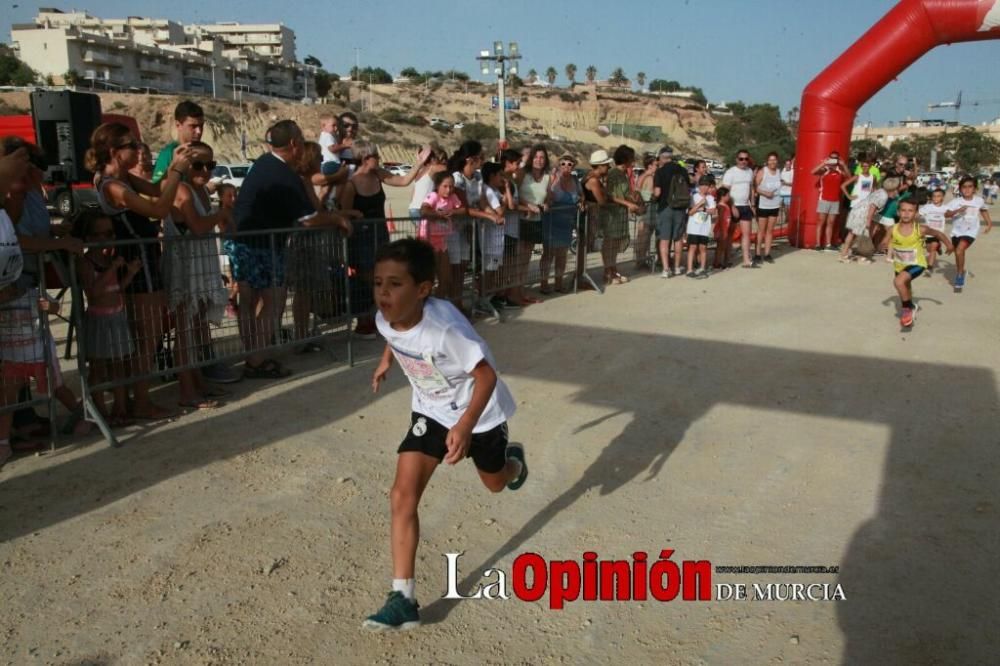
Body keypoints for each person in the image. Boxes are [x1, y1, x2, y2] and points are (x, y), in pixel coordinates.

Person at [363, 238, 525, 631]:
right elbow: (393, 334)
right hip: (431, 411)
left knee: (495, 484)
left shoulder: (445, 330)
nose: (384, 292)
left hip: (479, 415)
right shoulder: (387, 314)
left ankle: (514, 465)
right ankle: (403, 598)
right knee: (402, 495)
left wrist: (465, 426)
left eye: (395, 284)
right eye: (378, 282)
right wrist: (386, 361)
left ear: (422, 290)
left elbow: (486, 374)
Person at [232, 120, 349, 378]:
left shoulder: (264, 163)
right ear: (294, 144)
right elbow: (310, 219)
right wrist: (338, 219)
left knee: (251, 302)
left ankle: (255, 354)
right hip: (262, 246)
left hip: (245, 242)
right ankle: (256, 359)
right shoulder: (284, 174)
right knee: (273, 301)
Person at [89, 122, 190, 419]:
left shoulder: (123, 181)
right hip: (137, 262)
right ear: (114, 152)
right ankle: (141, 401)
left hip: (142, 258)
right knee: (147, 335)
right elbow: (159, 208)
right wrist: (178, 172)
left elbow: (158, 188)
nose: (137, 150)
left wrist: (173, 167)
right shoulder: (114, 186)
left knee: (148, 335)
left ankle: (137, 399)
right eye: (131, 145)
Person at [163, 141, 231, 409]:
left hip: (200, 266)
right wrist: (221, 215)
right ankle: (187, 390)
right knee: (184, 331)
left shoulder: (200, 190)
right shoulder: (181, 189)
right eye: (199, 164)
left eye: (210, 165)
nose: (205, 170)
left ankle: (198, 382)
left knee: (194, 329)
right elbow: (198, 226)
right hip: (185, 268)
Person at [338, 141, 431, 337]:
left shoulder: (378, 174)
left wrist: (419, 163)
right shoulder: (351, 184)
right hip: (360, 236)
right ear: (365, 159)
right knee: (366, 277)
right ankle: (366, 318)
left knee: (381, 274)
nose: (379, 159)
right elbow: (343, 211)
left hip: (379, 232)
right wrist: (354, 212)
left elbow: (403, 181)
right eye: (375, 156)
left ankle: (378, 317)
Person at [73, 208, 138, 427]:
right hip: (99, 320)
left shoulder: (107, 259)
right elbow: (93, 292)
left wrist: (129, 273)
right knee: (99, 369)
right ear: (88, 237)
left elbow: (115, 288)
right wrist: (112, 269)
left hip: (116, 317)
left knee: (119, 366)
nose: (105, 239)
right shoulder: (86, 262)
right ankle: (100, 410)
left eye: (109, 234)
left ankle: (120, 407)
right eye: (99, 234)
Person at [890, 198, 953, 328]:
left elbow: (938, 233)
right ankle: (912, 305)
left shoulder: (921, 229)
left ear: (916, 213)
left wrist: (949, 245)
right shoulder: (892, 229)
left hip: (917, 263)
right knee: (905, 287)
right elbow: (884, 242)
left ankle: (907, 310)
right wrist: (881, 245)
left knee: (899, 282)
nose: (906, 213)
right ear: (898, 212)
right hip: (899, 264)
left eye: (910, 211)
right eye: (903, 210)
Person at [418, 170, 466, 299]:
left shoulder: (453, 197)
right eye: (445, 186)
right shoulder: (433, 196)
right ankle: (424, 308)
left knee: (446, 278)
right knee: (428, 279)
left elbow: (462, 209)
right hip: (427, 240)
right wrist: (438, 214)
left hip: (442, 240)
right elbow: (424, 210)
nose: (448, 190)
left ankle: (437, 306)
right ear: (437, 186)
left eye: (451, 186)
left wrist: (454, 212)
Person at [512, 145, 550, 303]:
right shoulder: (522, 174)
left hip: (536, 220)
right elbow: (514, 193)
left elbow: (548, 196)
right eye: (536, 157)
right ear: (531, 158)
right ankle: (516, 291)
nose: (539, 160)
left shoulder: (548, 177)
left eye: (542, 157)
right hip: (521, 219)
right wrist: (528, 205)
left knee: (526, 256)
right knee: (519, 256)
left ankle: (521, 290)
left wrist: (547, 203)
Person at [539, 154, 581, 293]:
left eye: (570, 164)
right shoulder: (552, 178)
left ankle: (558, 283)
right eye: (563, 163)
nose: (566, 166)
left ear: (573, 166)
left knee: (562, 254)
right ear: (558, 165)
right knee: (548, 253)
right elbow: (545, 196)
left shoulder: (575, 180)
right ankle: (544, 283)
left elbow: (581, 195)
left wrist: (581, 201)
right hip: (552, 220)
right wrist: (548, 198)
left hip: (567, 222)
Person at [944, 175, 993, 291]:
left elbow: (983, 210)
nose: (967, 189)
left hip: (971, 231)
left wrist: (989, 223)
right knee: (958, 253)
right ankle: (961, 271)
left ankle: (960, 275)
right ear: (960, 189)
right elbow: (946, 215)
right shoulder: (956, 202)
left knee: (959, 250)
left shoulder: (979, 200)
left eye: (970, 187)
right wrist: (957, 210)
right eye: (964, 187)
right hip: (956, 232)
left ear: (975, 189)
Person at [602, 145, 640, 285]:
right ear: (626, 159)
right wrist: (628, 204)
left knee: (615, 244)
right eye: (631, 158)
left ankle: (613, 270)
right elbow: (610, 195)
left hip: (620, 214)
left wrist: (632, 198)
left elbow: (623, 193)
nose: (633, 161)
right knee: (609, 243)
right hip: (611, 214)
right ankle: (607, 272)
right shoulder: (613, 174)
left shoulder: (624, 174)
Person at [840, 177, 900, 264]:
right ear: (893, 189)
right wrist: (868, 221)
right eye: (896, 188)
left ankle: (844, 254)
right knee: (863, 236)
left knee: (852, 233)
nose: (897, 191)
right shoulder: (883, 196)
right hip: (863, 214)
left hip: (857, 210)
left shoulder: (880, 191)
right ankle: (860, 257)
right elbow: (872, 207)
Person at [652, 146, 690, 278]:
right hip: (680, 207)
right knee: (678, 238)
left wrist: (653, 199)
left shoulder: (660, 172)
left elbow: (657, 192)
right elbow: (688, 188)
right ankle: (677, 267)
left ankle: (666, 269)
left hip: (665, 207)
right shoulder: (682, 170)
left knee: (665, 239)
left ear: (662, 157)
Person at [152, 100, 204, 185]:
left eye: (201, 126)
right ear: (178, 125)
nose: (199, 131)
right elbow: (157, 188)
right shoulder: (168, 153)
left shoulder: (201, 151)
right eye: (193, 126)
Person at [721, 149, 756, 267]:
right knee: (729, 234)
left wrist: (753, 205)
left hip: (745, 206)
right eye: (741, 159)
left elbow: (751, 189)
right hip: (733, 206)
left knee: (746, 233)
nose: (743, 161)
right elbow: (725, 192)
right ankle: (726, 259)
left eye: (746, 159)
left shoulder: (750, 171)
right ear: (737, 159)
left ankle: (746, 259)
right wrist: (732, 206)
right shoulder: (731, 172)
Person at [811, 151, 848, 251]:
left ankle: (828, 244)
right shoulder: (825, 169)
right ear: (829, 158)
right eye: (832, 157)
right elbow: (812, 172)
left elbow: (849, 177)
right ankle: (818, 244)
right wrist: (824, 163)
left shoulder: (839, 170)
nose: (833, 160)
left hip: (835, 200)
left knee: (831, 223)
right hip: (824, 199)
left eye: (835, 158)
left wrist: (844, 165)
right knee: (821, 222)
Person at [754, 152, 782, 263]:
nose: (772, 162)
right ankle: (757, 253)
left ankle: (767, 253)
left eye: (774, 160)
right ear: (767, 161)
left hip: (774, 205)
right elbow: (755, 187)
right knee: (761, 230)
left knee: (770, 231)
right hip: (763, 205)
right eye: (770, 160)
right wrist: (765, 193)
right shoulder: (763, 171)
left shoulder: (779, 172)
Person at [686, 175, 716, 277]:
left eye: (706, 185)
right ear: (699, 186)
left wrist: (703, 209)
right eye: (702, 185)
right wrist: (699, 204)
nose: (704, 187)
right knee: (692, 247)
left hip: (704, 228)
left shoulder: (711, 198)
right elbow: (690, 212)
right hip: (694, 227)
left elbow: (713, 210)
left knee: (703, 247)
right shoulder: (693, 196)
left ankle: (702, 267)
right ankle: (689, 269)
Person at [917, 188, 948, 275]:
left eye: (938, 196)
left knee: (933, 249)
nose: (936, 198)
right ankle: (938, 247)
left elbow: (952, 214)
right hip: (927, 233)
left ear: (942, 197)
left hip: (938, 233)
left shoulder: (946, 208)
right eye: (934, 196)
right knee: (928, 249)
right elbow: (917, 216)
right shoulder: (927, 207)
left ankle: (929, 267)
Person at [712, 186, 734, 270]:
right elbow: (721, 219)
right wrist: (722, 231)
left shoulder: (724, 205)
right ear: (722, 196)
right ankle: (717, 263)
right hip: (721, 230)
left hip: (724, 229)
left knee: (721, 247)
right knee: (720, 247)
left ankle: (719, 262)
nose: (729, 197)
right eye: (727, 195)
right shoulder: (721, 206)